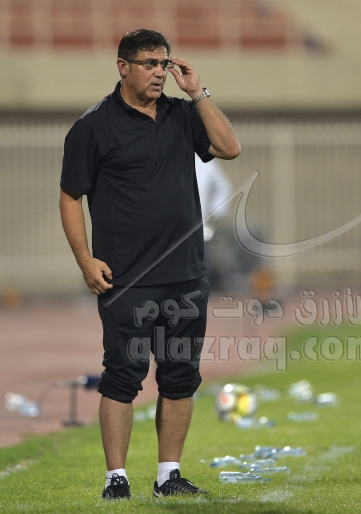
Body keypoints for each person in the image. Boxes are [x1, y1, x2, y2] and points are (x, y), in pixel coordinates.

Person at [59, 28, 240, 500]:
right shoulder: (93, 126)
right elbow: (70, 196)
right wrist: (85, 259)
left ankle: (168, 475)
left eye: (164, 63)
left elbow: (229, 148)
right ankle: (115, 479)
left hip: (186, 273)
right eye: (149, 64)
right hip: (127, 277)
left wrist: (198, 92)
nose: (160, 72)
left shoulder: (183, 114)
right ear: (123, 67)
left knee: (180, 377)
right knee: (123, 375)